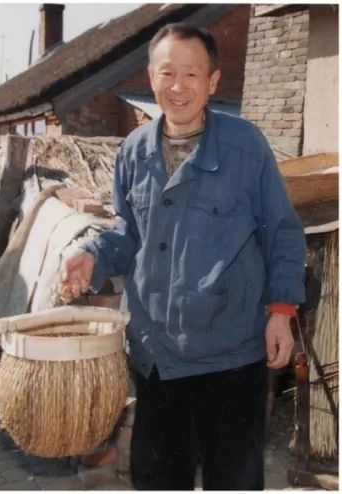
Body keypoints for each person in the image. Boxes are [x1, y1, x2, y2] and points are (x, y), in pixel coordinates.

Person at [59, 23, 305, 490]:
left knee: (233, 480)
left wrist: (281, 312)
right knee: (157, 479)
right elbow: (128, 233)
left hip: (231, 354)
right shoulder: (133, 151)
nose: (178, 87)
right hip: (157, 357)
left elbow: (284, 234)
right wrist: (91, 254)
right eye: (167, 72)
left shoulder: (245, 147)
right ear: (150, 77)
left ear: (213, 82)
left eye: (191, 75)